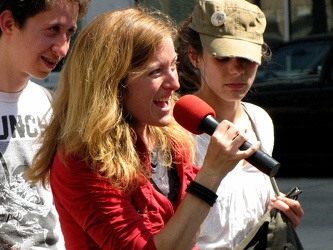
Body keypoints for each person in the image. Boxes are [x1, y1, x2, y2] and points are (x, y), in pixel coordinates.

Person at [25, 6, 262, 249]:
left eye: (173, 65)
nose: (174, 83)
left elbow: (191, 233)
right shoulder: (81, 161)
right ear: (112, 83)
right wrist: (210, 173)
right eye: (156, 71)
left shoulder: (172, 138)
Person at [175, 0, 304, 249]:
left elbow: (242, 213)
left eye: (247, 57)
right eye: (222, 57)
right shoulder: (174, 129)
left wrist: (278, 217)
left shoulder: (260, 120)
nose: (237, 69)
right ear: (195, 56)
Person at [0, 0, 90, 249]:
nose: (62, 48)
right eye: (53, 29)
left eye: (70, 32)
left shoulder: (50, 104)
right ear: (9, 23)